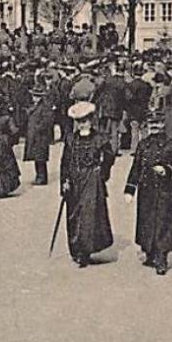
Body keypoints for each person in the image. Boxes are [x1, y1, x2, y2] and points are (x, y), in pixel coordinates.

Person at [124, 113, 172, 274]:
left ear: (163, 125)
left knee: (163, 223)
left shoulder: (171, 145)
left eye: (158, 124)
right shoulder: (143, 145)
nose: (155, 127)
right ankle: (150, 253)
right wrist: (130, 189)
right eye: (151, 124)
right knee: (146, 222)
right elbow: (136, 167)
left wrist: (167, 170)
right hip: (146, 191)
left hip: (164, 191)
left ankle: (161, 258)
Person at [60, 101, 114, 268]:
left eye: (85, 120)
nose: (82, 124)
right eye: (79, 121)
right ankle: (76, 249)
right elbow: (65, 161)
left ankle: (85, 251)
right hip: (75, 180)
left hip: (92, 180)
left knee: (89, 215)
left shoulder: (100, 138)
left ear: (91, 120)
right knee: (74, 215)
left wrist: (101, 174)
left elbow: (110, 157)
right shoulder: (71, 139)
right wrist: (64, 180)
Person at [23, 75, 57, 185]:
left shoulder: (45, 107)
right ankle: (39, 176)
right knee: (37, 157)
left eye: (37, 96)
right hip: (35, 135)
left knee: (40, 158)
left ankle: (42, 177)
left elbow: (47, 121)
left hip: (40, 136)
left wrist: (38, 128)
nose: (35, 98)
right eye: (34, 96)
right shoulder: (34, 106)